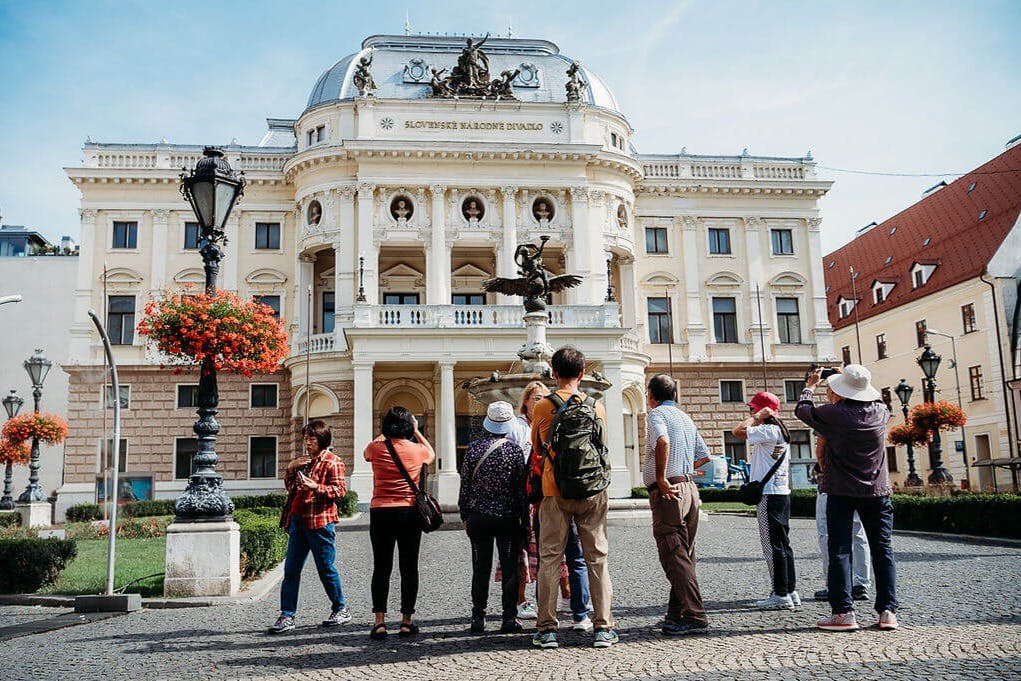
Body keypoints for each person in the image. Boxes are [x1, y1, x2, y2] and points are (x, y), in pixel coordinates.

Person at [795, 365, 899, 632]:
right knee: (882, 550)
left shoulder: (833, 414)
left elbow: (802, 410)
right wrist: (851, 378)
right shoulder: (881, 412)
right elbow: (874, 398)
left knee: (840, 550)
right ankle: (887, 612)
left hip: (841, 491)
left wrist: (811, 385)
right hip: (877, 491)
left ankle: (843, 613)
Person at [530, 346, 617, 649]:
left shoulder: (542, 406)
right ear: (582, 373)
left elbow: (537, 447)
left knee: (550, 559)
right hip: (592, 490)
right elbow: (602, 446)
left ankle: (546, 629)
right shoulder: (596, 406)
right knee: (597, 558)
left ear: (554, 374)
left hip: (555, 490)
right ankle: (603, 627)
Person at [644, 374, 711, 635]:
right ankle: (677, 613)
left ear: (651, 395)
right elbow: (704, 456)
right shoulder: (685, 417)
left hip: (669, 492)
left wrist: (662, 477)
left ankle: (695, 616)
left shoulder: (656, 414)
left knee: (673, 554)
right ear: (674, 394)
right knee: (683, 555)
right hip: (689, 489)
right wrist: (681, 468)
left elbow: (662, 440)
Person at [269, 420, 350, 634]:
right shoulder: (303, 462)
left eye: (311, 439)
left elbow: (340, 491)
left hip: (320, 522)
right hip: (298, 520)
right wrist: (291, 468)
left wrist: (316, 487)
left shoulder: (333, 462)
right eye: (305, 438)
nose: (307, 443)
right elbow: (291, 488)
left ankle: (340, 608)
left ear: (322, 439)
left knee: (325, 568)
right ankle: (287, 615)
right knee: (291, 570)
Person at [364, 407, 436, 640]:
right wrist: (417, 431)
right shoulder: (417, 450)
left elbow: (366, 453)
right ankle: (406, 621)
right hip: (408, 511)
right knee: (409, 567)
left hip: (380, 511)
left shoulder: (375, 448)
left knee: (381, 567)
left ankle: (379, 622)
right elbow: (431, 454)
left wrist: (384, 432)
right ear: (408, 427)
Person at [459, 401, 529, 634]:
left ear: (487, 423)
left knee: (480, 568)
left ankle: (478, 618)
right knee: (509, 569)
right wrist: (525, 521)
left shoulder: (474, 449)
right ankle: (509, 618)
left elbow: (465, 485)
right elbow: (521, 491)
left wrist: (465, 514)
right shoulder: (514, 451)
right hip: (507, 518)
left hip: (479, 517)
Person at [731, 391, 799, 610]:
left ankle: (780, 594)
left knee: (772, 546)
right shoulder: (780, 431)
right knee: (783, 544)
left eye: (752, 408)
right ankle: (790, 590)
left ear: (762, 409)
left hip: (769, 495)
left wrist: (756, 417)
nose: (750, 411)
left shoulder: (768, 430)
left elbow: (737, 431)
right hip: (781, 492)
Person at [812, 458, 872, 602]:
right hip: (857, 481)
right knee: (858, 533)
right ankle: (861, 584)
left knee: (827, 534)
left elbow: (823, 449)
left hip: (832, 482)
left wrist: (820, 467)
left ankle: (835, 584)